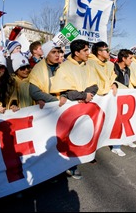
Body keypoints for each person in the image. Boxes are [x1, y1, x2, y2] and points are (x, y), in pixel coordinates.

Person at [50, 39, 98, 180]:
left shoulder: (87, 66)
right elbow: (65, 91)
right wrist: (83, 95)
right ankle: (68, 167)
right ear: (76, 53)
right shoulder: (64, 68)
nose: (88, 53)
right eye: (85, 50)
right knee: (67, 138)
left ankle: (77, 160)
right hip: (70, 110)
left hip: (84, 108)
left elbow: (94, 84)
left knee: (80, 135)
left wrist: (88, 95)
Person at [112, 49, 134, 156]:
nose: (131, 60)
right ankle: (116, 146)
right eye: (130, 58)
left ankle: (124, 140)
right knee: (116, 122)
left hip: (124, 98)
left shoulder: (128, 70)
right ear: (123, 58)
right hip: (114, 98)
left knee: (124, 120)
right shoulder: (113, 67)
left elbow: (127, 83)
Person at [28, 41, 62, 108]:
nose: (57, 55)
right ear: (46, 54)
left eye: (58, 52)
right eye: (53, 52)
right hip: (47, 108)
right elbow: (34, 92)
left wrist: (64, 97)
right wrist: (55, 100)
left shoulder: (63, 67)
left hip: (62, 106)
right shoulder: (37, 69)